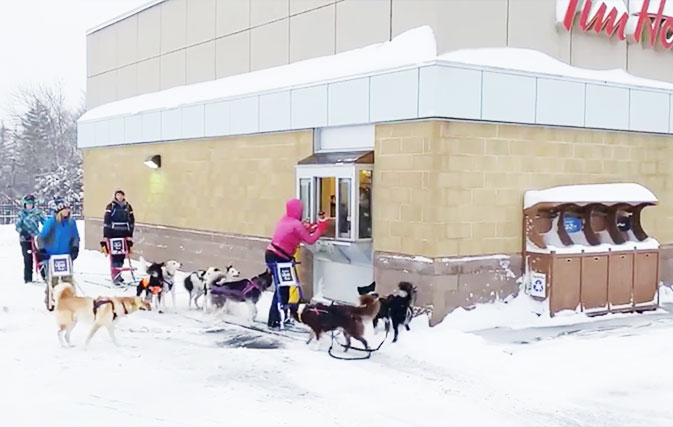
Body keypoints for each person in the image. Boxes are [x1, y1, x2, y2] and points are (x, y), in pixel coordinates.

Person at [265, 198, 327, 328]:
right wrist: (320, 229)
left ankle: (278, 317)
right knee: (282, 289)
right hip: (280, 257)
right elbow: (309, 240)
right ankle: (275, 320)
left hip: (272, 255)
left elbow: (296, 234)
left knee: (282, 287)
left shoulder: (285, 220)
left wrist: (310, 227)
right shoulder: (295, 224)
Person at [35, 199, 80, 298]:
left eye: (68, 208)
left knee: (67, 280)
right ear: (59, 210)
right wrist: (42, 250)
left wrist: (75, 248)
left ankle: (69, 299)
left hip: (66, 255)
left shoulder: (71, 223)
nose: (68, 211)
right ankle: (50, 298)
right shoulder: (51, 222)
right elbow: (41, 237)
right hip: (51, 255)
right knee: (52, 280)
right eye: (65, 209)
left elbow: (75, 237)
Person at [102, 189, 135, 285]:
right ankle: (115, 275)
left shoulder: (128, 207)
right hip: (114, 234)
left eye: (121, 195)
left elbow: (131, 221)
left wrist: (130, 234)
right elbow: (106, 221)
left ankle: (119, 274)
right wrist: (106, 235)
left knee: (122, 255)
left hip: (124, 233)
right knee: (115, 255)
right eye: (118, 195)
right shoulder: (111, 206)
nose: (119, 197)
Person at [14, 194, 46, 283]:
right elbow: (17, 226)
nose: (29, 205)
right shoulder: (21, 213)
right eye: (27, 203)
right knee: (28, 258)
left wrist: (45, 231)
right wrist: (23, 232)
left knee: (41, 256)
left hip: (36, 237)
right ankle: (28, 279)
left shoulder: (37, 212)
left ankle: (45, 276)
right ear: (24, 204)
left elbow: (45, 222)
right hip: (25, 239)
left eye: (31, 203)